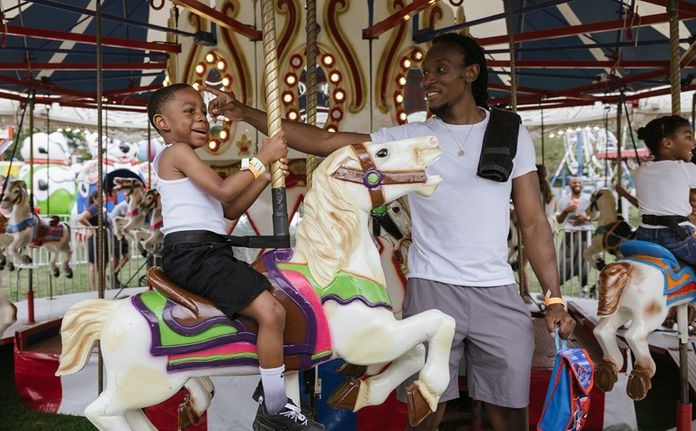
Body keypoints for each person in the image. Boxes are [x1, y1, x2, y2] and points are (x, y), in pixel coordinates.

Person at [208, 32, 575, 431]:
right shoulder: (409, 139)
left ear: (472, 73)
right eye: (424, 73)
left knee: (509, 412)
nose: (429, 80)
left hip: (497, 289)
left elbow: (534, 220)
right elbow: (326, 142)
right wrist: (246, 113)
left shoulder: (509, 133)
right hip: (434, 284)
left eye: (441, 69)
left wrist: (554, 297)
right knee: (425, 412)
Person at [147, 83, 310, 430]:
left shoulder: (186, 159)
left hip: (209, 251)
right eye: (189, 111)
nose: (202, 118)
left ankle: (269, 387)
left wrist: (264, 176)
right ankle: (274, 406)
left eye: (203, 112)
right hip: (194, 255)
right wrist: (261, 157)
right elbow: (224, 189)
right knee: (272, 311)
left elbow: (230, 206)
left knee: (276, 301)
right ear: (163, 122)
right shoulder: (176, 153)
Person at [632, 115, 696, 265]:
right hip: (676, 236)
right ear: (667, 143)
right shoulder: (685, 169)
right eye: (688, 137)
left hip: (644, 234)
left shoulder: (641, 170)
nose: (693, 143)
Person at [555, 176, 592, 291]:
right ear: (570, 185)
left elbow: (596, 215)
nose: (577, 184)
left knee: (585, 259)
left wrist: (586, 218)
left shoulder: (588, 198)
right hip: (569, 233)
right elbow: (559, 220)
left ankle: (584, 286)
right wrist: (566, 211)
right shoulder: (563, 200)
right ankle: (557, 285)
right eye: (574, 182)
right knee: (565, 259)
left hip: (586, 232)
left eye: (579, 182)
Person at [78, 190, 106, 292]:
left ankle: (102, 288)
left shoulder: (99, 208)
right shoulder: (94, 208)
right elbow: (81, 218)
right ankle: (94, 289)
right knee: (94, 265)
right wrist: (92, 228)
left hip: (100, 239)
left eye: (104, 196)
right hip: (95, 239)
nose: (104, 198)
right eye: (101, 197)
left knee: (100, 265)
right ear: (95, 199)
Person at [108, 192, 131, 288]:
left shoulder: (127, 205)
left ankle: (114, 275)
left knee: (126, 256)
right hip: (116, 234)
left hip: (120, 234)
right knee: (118, 257)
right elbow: (125, 222)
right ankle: (113, 277)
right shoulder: (124, 206)